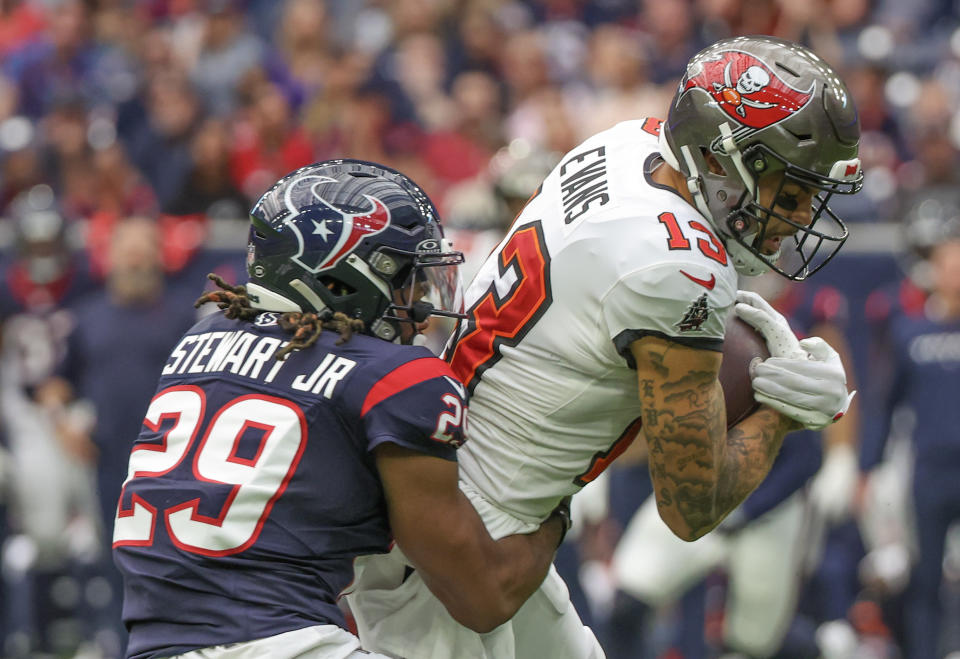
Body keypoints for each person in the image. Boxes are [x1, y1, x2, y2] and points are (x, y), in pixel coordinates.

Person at [348, 35, 863, 659]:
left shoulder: (627, 143)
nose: (803, 212)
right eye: (793, 187)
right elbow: (691, 508)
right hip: (469, 538)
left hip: (461, 484)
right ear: (725, 158)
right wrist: (785, 411)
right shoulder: (676, 266)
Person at [110, 159, 570, 659]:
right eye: (406, 277)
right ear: (341, 277)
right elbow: (483, 597)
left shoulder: (201, 339)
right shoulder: (395, 377)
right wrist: (552, 511)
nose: (417, 301)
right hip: (280, 644)